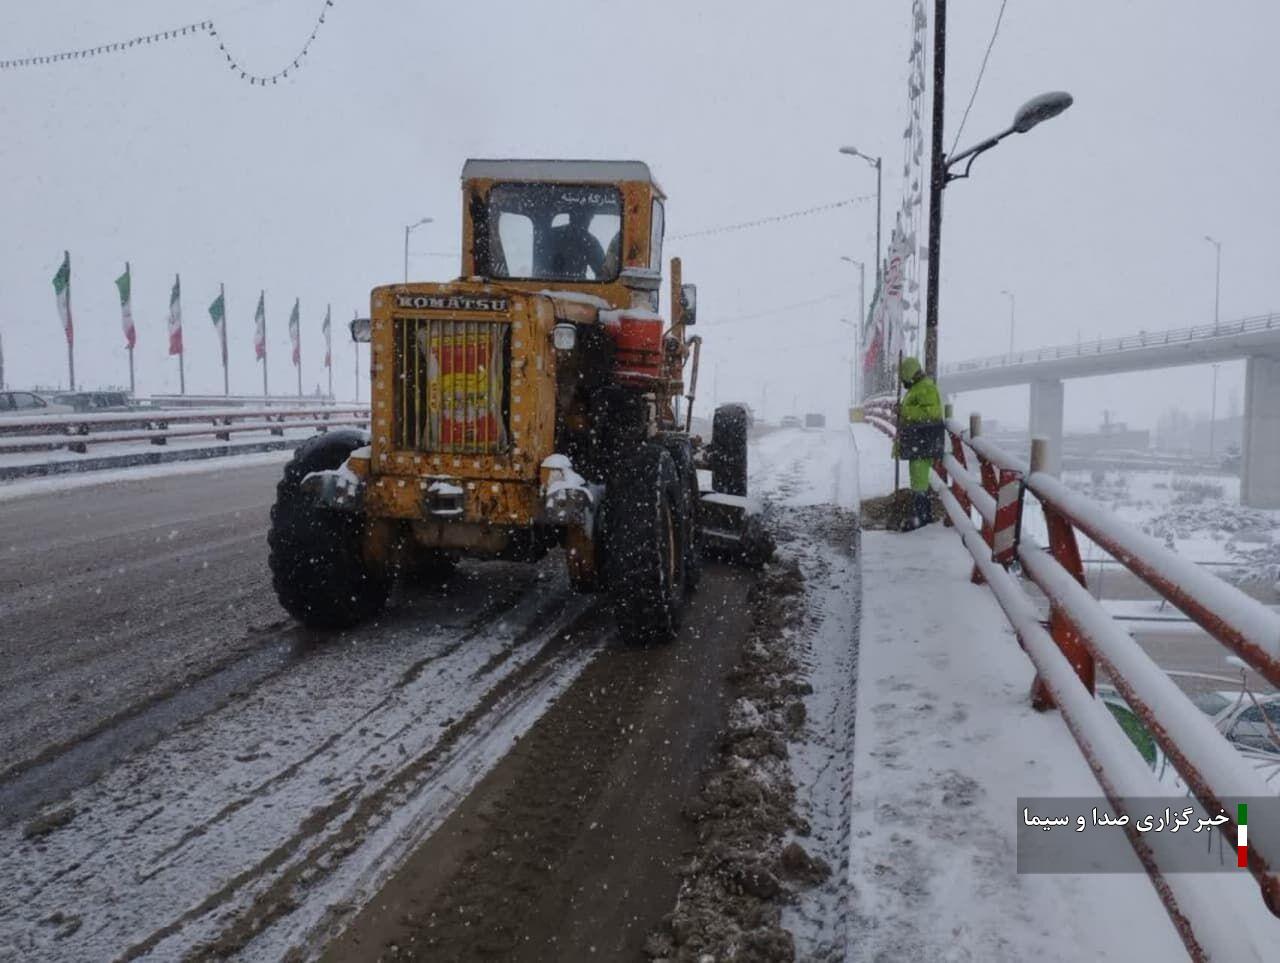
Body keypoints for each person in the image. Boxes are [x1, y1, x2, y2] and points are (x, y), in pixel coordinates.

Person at [895, 355, 944, 531]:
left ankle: (921, 518)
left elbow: (932, 413)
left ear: (909, 373)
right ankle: (921, 515)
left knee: (919, 480)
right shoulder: (917, 388)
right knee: (917, 478)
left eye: (903, 377)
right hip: (918, 441)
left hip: (924, 441)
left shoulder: (925, 388)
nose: (902, 382)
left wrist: (905, 411)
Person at [545, 209, 606, 280]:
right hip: (549, 286)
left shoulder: (590, 242)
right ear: (571, 218)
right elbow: (603, 273)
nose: (586, 222)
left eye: (588, 218)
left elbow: (603, 273)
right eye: (582, 218)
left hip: (574, 287)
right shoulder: (589, 241)